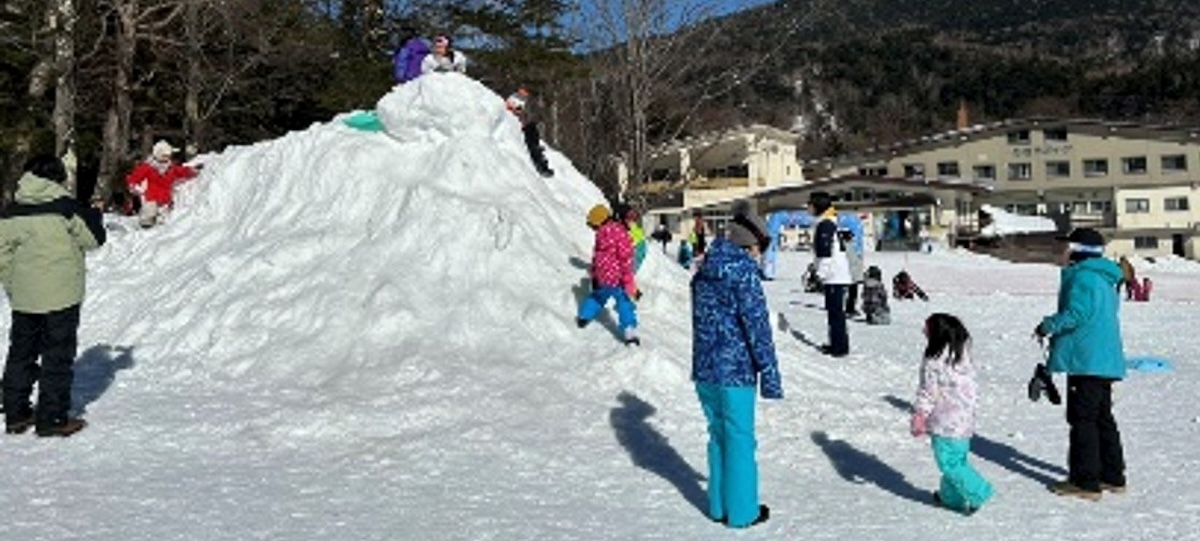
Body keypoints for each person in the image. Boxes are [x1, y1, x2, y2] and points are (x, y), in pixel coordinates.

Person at [0, 155, 106, 437]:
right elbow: (93, 240)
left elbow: (2, 255)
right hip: (61, 295)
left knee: (21, 353)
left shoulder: (12, 210)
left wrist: (13, 286)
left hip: (24, 295)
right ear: (57, 177)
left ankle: (16, 413)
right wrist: (94, 215)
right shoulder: (65, 207)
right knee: (57, 355)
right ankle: (52, 419)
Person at [690, 199, 780, 529]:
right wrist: (770, 375)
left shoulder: (704, 269)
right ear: (751, 243)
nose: (761, 253)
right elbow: (758, 328)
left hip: (705, 370)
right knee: (741, 439)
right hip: (736, 371)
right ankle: (743, 512)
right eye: (761, 246)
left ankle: (719, 505)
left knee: (718, 436)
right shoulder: (743, 273)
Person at [1035, 227, 1127, 501]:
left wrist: (1047, 326)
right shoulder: (1104, 278)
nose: (1061, 251)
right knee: (1102, 418)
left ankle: (1085, 481)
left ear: (1078, 250)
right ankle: (1112, 476)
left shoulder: (1083, 277)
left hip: (1086, 360)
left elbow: (1077, 314)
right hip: (1104, 359)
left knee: (1083, 419)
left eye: (1066, 246)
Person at [910, 313, 993, 514]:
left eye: (927, 329)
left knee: (948, 463)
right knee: (957, 461)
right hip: (965, 421)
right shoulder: (960, 354)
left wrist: (920, 415)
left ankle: (978, 491)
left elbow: (928, 392)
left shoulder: (934, 360)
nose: (923, 332)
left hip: (945, 423)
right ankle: (950, 498)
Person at [577, 204, 639, 345]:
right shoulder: (621, 233)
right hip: (617, 278)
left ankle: (584, 316)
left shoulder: (600, 234)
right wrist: (628, 278)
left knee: (598, 296)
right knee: (624, 302)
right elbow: (625, 257)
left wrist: (594, 274)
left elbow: (597, 257)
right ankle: (629, 332)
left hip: (602, 276)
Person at [809, 192, 851, 357]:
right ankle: (837, 343)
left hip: (834, 275)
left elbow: (825, 254)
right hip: (835, 274)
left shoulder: (825, 224)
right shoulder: (829, 222)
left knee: (835, 313)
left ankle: (839, 347)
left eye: (810, 204)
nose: (808, 207)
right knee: (835, 312)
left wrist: (819, 275)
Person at [125, 140, 198, 228]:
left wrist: (191, 171)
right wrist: (133, 185)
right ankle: (145, 226)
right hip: (151, 198)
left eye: (168, 156)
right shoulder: (148, 167)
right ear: (157, 154)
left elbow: (181, 171)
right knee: (149, 213)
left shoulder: (171, 167)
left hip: (165, 199)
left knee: (163, 220)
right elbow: (135, 176)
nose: (167, 158)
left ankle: (159, 233)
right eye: (164, 155)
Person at [505, 89, 554, 177]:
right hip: (519, 130)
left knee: (532, 130)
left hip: (524, 127)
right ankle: (540, 164)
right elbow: (513, 110)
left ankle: (539, 159)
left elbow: (522, 115)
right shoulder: (515, 100)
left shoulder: (523, 101)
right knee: (531, 137)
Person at [839, 229, 864, 317]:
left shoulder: (849, 245)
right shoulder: (845, 246)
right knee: (851, 293)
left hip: (853, 273)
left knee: (852, 293)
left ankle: (850, 307)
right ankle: (849, 309)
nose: (852, 238)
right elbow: (851, 260)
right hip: (850, 274)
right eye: (851, 236)